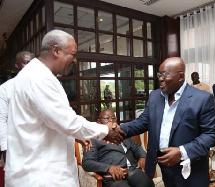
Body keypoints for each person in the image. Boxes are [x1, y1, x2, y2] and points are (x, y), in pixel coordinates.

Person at [5, 29, 125, 186]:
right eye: (73, 55)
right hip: (40, 175)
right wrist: (106, 130)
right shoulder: (38, 78)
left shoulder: (38, 75)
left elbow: (49, 121)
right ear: (56, 51)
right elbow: (67, 121)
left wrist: (77, 135)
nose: (75, 60)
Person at [120, 57, 215, 187]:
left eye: (165, 74)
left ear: (180, 76)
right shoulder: (155, 96)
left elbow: (211, 135)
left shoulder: (202, 99)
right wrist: (115, 130)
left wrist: (182, 151)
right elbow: (143, 122)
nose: (160, 78)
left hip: (192, 169)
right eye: (159, 74)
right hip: (165, 166)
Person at [82, 109, 154, 187]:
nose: (111, 120)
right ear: (99, 122)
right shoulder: (94, 139)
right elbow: (87, 162)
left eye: (113, 118)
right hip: (113, 177)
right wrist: (108, 168)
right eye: (107, 118)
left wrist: (143, 157)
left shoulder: (122, 133)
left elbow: (136, 148)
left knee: (146, 183)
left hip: (133, 171)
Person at [0, 50, 35, 161]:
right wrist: (5, 148)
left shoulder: (41, 86)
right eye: (26, 62)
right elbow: (1, 119)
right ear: (17, 65)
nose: (30, 67)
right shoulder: (5, 89)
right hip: (15, 145)